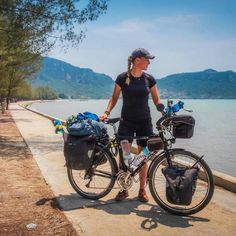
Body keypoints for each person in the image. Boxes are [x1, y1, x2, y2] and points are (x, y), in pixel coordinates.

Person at [100, 48, 163, 202]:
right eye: (147, 59)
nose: (149, 62)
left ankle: (142, 190)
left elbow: (157, 100)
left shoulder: (149, 79)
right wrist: (106, 112)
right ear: (137, 60)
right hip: (126, 123)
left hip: (144, 123)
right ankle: (123, 189)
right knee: (125, 157)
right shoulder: (122, 78)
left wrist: (164, 111)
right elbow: (114, 98)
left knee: (143, 157)